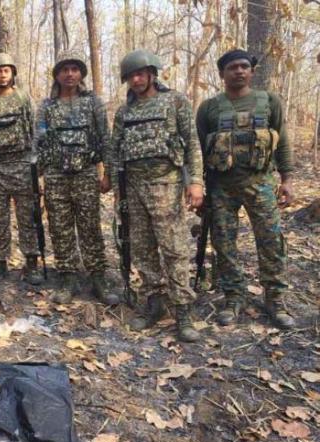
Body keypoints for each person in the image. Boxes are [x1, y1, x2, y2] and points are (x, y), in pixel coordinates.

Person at [196, 49, 296, 329]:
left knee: (271, 241)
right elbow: (199, 149)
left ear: (251, 71)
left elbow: (282, 142)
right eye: (232, 67)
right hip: (221, 187)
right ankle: (233, 297)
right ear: (222, 73)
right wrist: (198, 187)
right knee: (224, 244)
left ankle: (275, 299)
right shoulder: (209, 108)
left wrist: (287, 179)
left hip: (260, 183)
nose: (238, 71)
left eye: (243, 66)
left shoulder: (269, 101)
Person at [109, 50, 203, 342]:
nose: (136, 80)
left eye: (140, 74)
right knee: (143, 248)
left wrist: (195, 182)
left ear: (152, 73)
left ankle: (183, 309)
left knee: (174, 248)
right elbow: (114, 152)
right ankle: (154, 301)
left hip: (167, 184)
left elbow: (192, 144)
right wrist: (118, 191)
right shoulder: (124, 112)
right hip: (133, 187)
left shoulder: (175, 101)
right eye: (131, 76)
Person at [36, 50, 118, 305]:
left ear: (81, 73)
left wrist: (108, 175)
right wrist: (38, 177)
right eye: (64, 70)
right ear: (57, 75)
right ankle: (68, 278)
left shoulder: (93, 103)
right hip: (55, 176)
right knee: (60, 228)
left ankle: (98, 278)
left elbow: (105, 139)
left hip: (86, 174)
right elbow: (38, 141)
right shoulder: (47, 106)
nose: (69, 74)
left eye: (74, 69)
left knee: (90, 227)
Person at [0, 53, 42, 284]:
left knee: (27, 217)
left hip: (23, 165)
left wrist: (37, 166)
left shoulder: (23, 97)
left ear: (12, 73)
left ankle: (31, 262)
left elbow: (35, 131)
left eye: (6, 71)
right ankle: (0, 263)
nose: (2, 75)